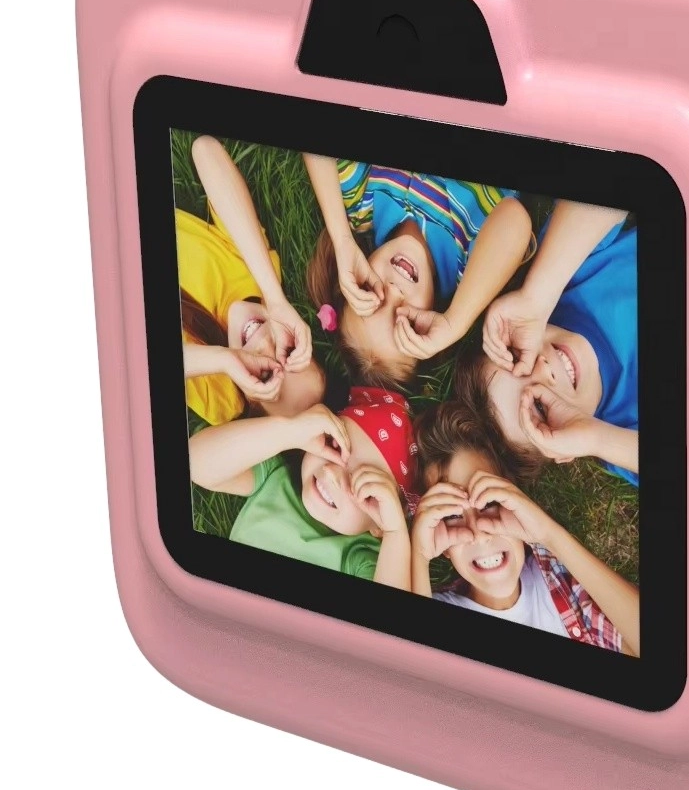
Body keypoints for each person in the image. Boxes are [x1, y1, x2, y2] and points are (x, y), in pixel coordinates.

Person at [402, 401, 639, 655]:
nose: (479, 535)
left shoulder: (562, 581)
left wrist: (547, 534)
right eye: (450, 516)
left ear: (515, 501)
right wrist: (419, 556)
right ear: (440, 542)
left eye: (489, 502)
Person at [303, 154, 533, 388]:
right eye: (406, 320)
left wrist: (342, 240)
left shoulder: (363, 205)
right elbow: (515, 217)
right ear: (430, 321)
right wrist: (455, 322)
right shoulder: (471, 265)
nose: (394, 292)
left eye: (372, 294)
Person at [459, 200, 638, 484]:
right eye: (541, 406)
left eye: (517, 356)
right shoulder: (624, 436)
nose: (543, 367)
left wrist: (537, 296)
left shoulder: (562, 278)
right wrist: (597, 439)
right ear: (565, 450)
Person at [188, 387, 420, 586]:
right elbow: (196, 462)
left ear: (379, 525)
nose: (331, 473)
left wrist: (395, 533)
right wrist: (290, 432)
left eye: (363, 482)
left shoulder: (362, 557)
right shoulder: (276, 478)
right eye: (335, 446)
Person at [178, 135, 324, 424]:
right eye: (288, 351)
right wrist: (275, 298)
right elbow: (205, 150)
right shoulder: (258, 274)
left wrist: (224, 360)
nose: (267, 344)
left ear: (249, 397)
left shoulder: (220, 393)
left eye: (266, 373)